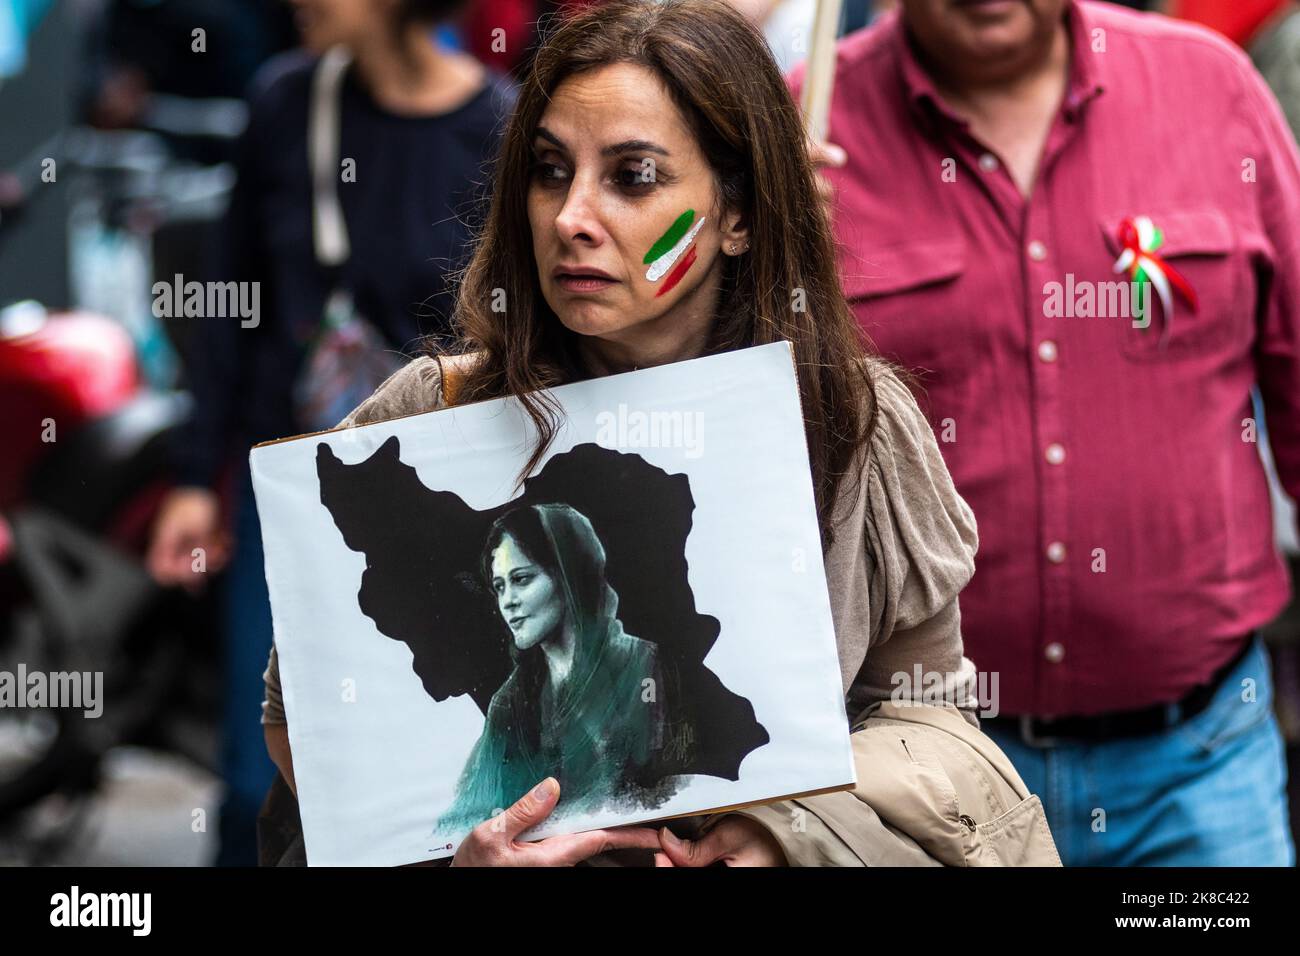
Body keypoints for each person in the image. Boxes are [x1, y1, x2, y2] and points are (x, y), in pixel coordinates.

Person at [262, 0, 1060, 867]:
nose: (572, 216)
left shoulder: (847, 417)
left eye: (633, 176)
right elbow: (298, 723)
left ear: (738, 214)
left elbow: (929, 715)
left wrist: (781, 831)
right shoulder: (429, 415)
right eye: (548, 170)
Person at [799, 0, 1300, 864]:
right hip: (916, 784)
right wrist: (761, 262)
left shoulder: (1211, 87)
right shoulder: (799, 123)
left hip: (1202, 771)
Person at [145, 0, 514, 865]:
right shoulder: (284, 104)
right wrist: (198, 481)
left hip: (434, 517)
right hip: (292, 503)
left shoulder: (500, 128)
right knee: (256, 783)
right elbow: (230, 314)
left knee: (411, 787)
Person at [436, 504, 686, 834]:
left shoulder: (643, 667)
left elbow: (673, 796)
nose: (507, 601)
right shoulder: (509, 703)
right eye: (499, 586)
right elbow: (468, 819)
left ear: (568, 575)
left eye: (521, 579)